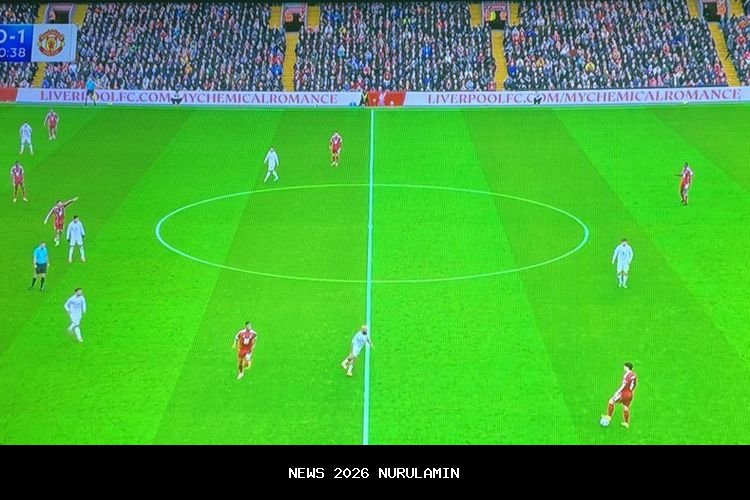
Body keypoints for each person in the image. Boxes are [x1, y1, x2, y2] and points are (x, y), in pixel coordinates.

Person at [601, 362, 637, 428]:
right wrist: (630, 390)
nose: (624, 367)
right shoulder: (633, 375)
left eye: (624, 366)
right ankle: (626, 423)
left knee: (611, 401)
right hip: (630, 394)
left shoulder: (627, 375)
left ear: (627, 367)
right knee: (626, 408)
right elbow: (634, 384)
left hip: (623, 393)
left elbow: (624, 385)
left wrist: (618, 391)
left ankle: (608, 417)